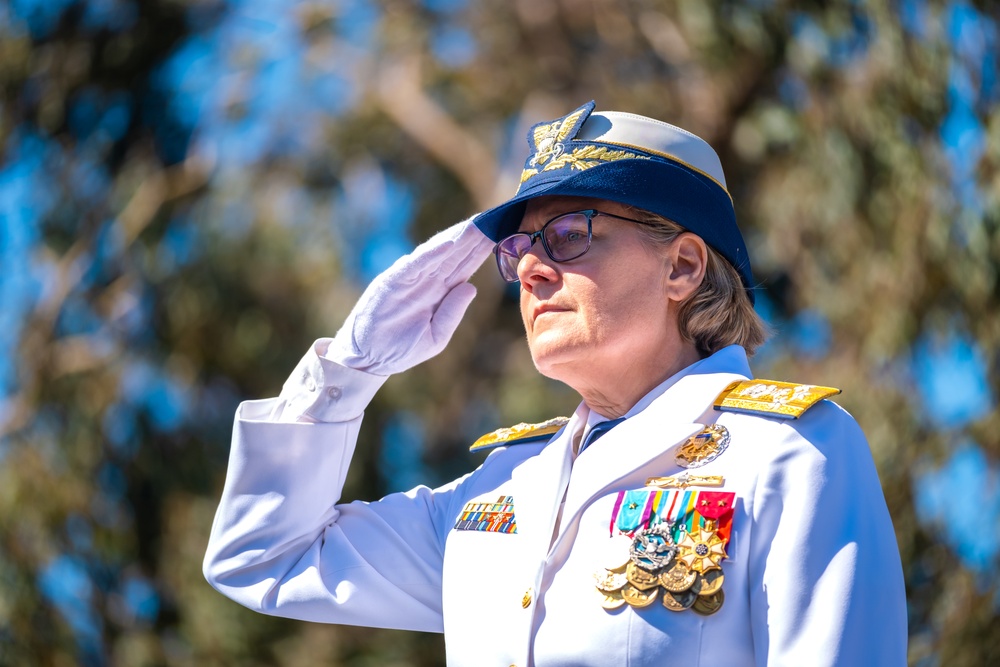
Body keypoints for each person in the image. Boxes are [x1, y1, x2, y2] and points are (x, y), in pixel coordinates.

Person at [203, 101, 907, 666]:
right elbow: (261, 557)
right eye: (519, 249)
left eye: (569, 234)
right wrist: (350, 368)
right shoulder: (503, 487)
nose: (532, 270)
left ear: (683, 267)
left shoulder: (786, 453)